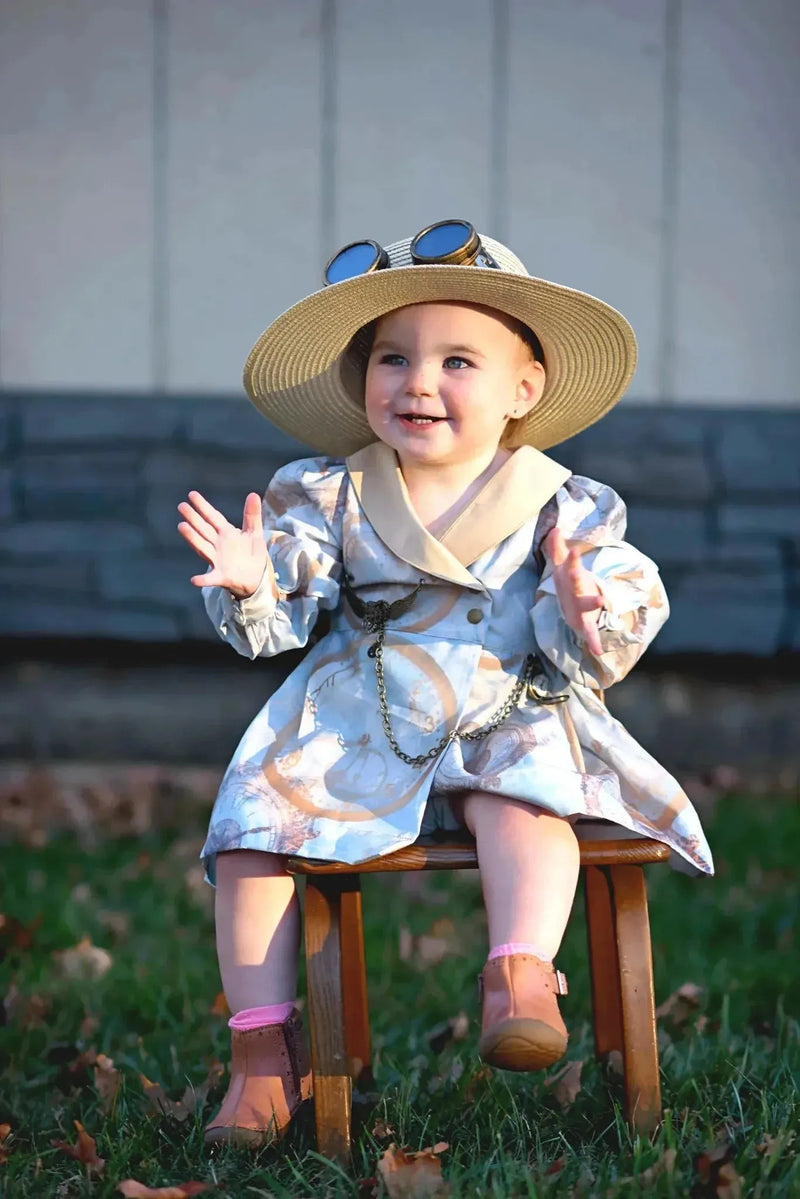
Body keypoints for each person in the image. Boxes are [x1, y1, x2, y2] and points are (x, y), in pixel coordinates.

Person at [177, 220, 713, 1147]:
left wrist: (590, 610)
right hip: (363, 711)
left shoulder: (560, 501)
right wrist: (256, 578)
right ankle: (264, 1057)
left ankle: (519, 973)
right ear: (362, 378)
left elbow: (605, 591)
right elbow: (293, 599)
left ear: (523, 389)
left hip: (509, 700)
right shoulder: (333, 493)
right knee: (252, 835)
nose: (418, 382)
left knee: (527, 803)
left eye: (457, 361)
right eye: (393, 357)